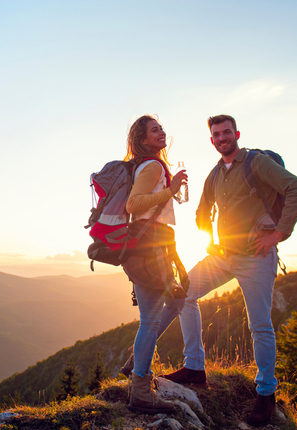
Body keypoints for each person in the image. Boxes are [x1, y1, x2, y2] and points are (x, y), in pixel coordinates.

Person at [161, 114, 297, 426]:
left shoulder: (256, 164)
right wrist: (210, 242)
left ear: (236, 134)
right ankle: (195, 367)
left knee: (260, 326)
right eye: (216, 134)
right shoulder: (215, 174)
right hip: (224, 256)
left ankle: (266, 394)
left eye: (226, 132)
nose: (221, 138)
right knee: (184, 294)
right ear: (212, 140)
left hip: (257, 256)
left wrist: (278, 234)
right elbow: (202, 211)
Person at [122, 114, 188, 414]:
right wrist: (171, 190)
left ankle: (137, 363)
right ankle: (140, 389)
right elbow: (133, 205)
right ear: (143, 139)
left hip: (155, 245)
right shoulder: (150, 166)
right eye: (154, 130)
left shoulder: (150, 166)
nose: (161, 132)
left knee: (177, 299)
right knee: (150, 320)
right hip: (150, 247)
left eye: (161, 128)